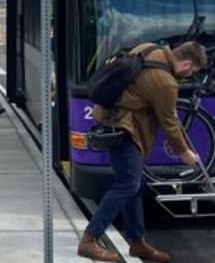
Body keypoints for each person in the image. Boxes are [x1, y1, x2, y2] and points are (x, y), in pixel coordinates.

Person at [78, 41, 207, 263]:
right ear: (186, 63)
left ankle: (137, 242)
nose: (190, 75)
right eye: (192, 70)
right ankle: (89, 239)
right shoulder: (166, 83)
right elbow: (169, 124)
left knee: (134, 184)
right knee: (127, 185)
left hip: (111, 120)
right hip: (126, 130)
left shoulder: (148, 49)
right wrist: (184, 152)